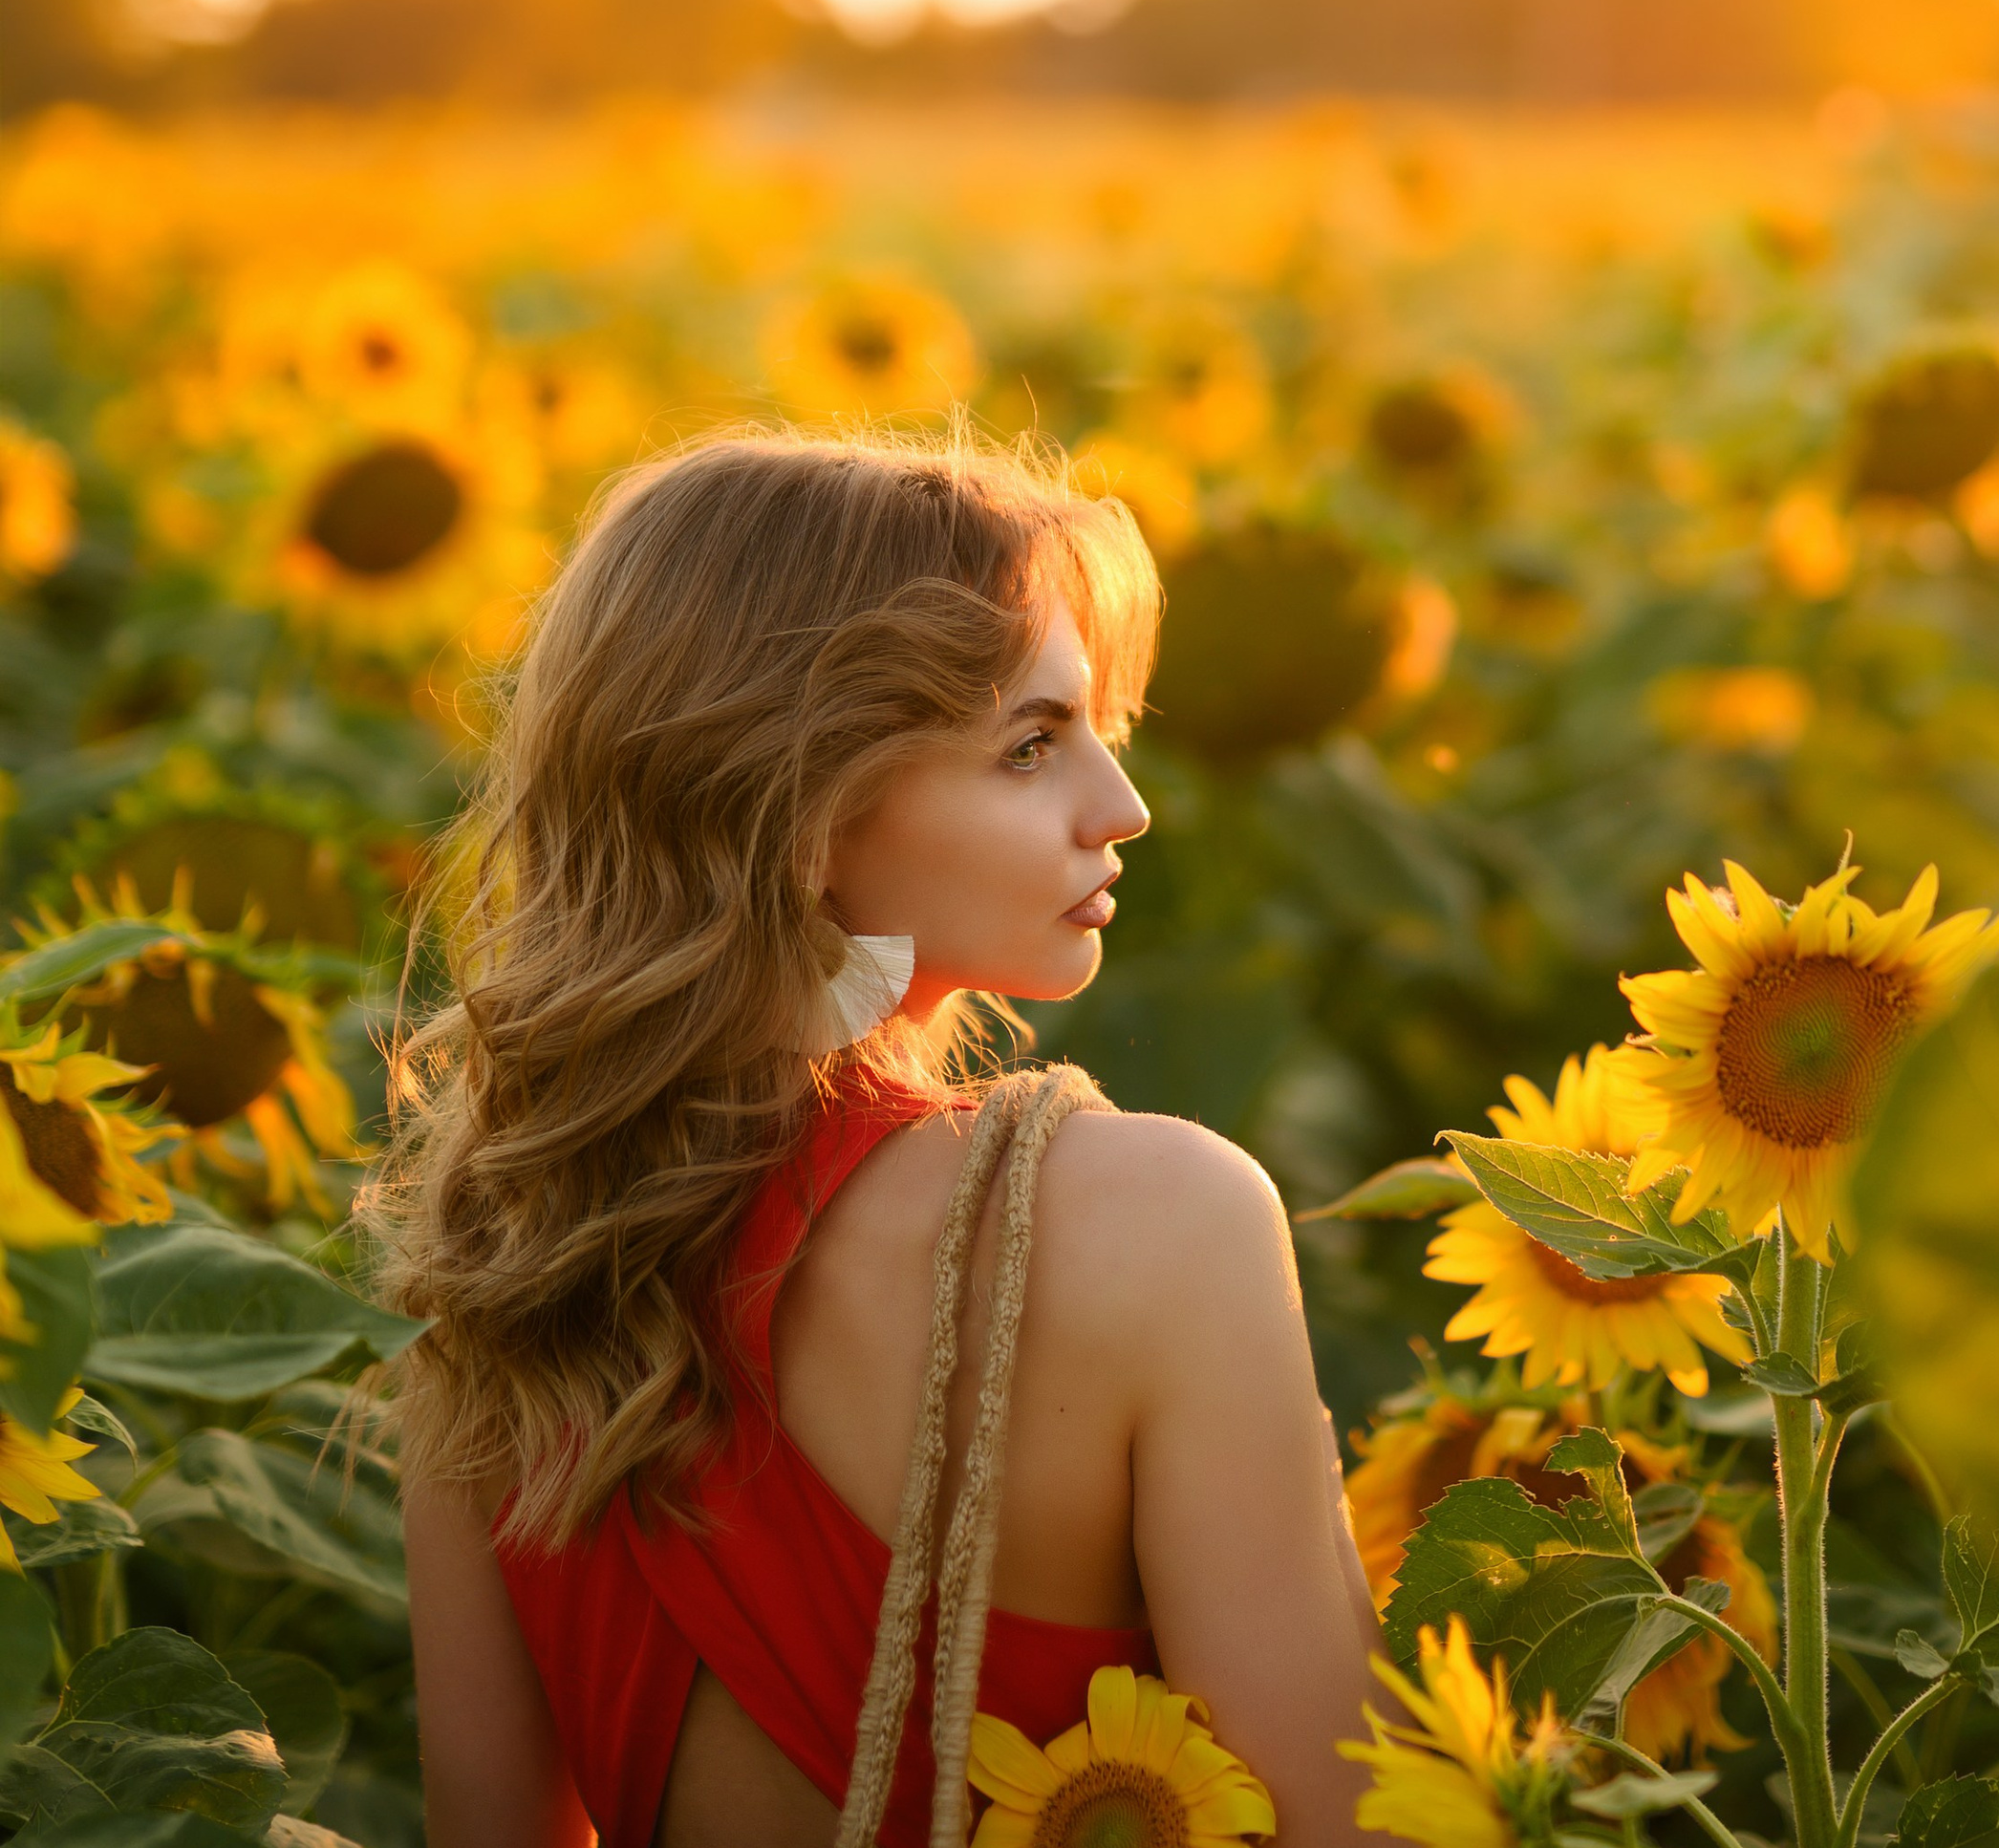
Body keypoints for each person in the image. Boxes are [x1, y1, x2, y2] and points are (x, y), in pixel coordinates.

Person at [379, 429, 1381, 1848]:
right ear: (801, 808)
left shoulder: (496, 1265)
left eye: (1103, 732)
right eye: (1032, 746)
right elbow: (1346, 1827)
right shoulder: (1160, 1221)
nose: (1124, 807)